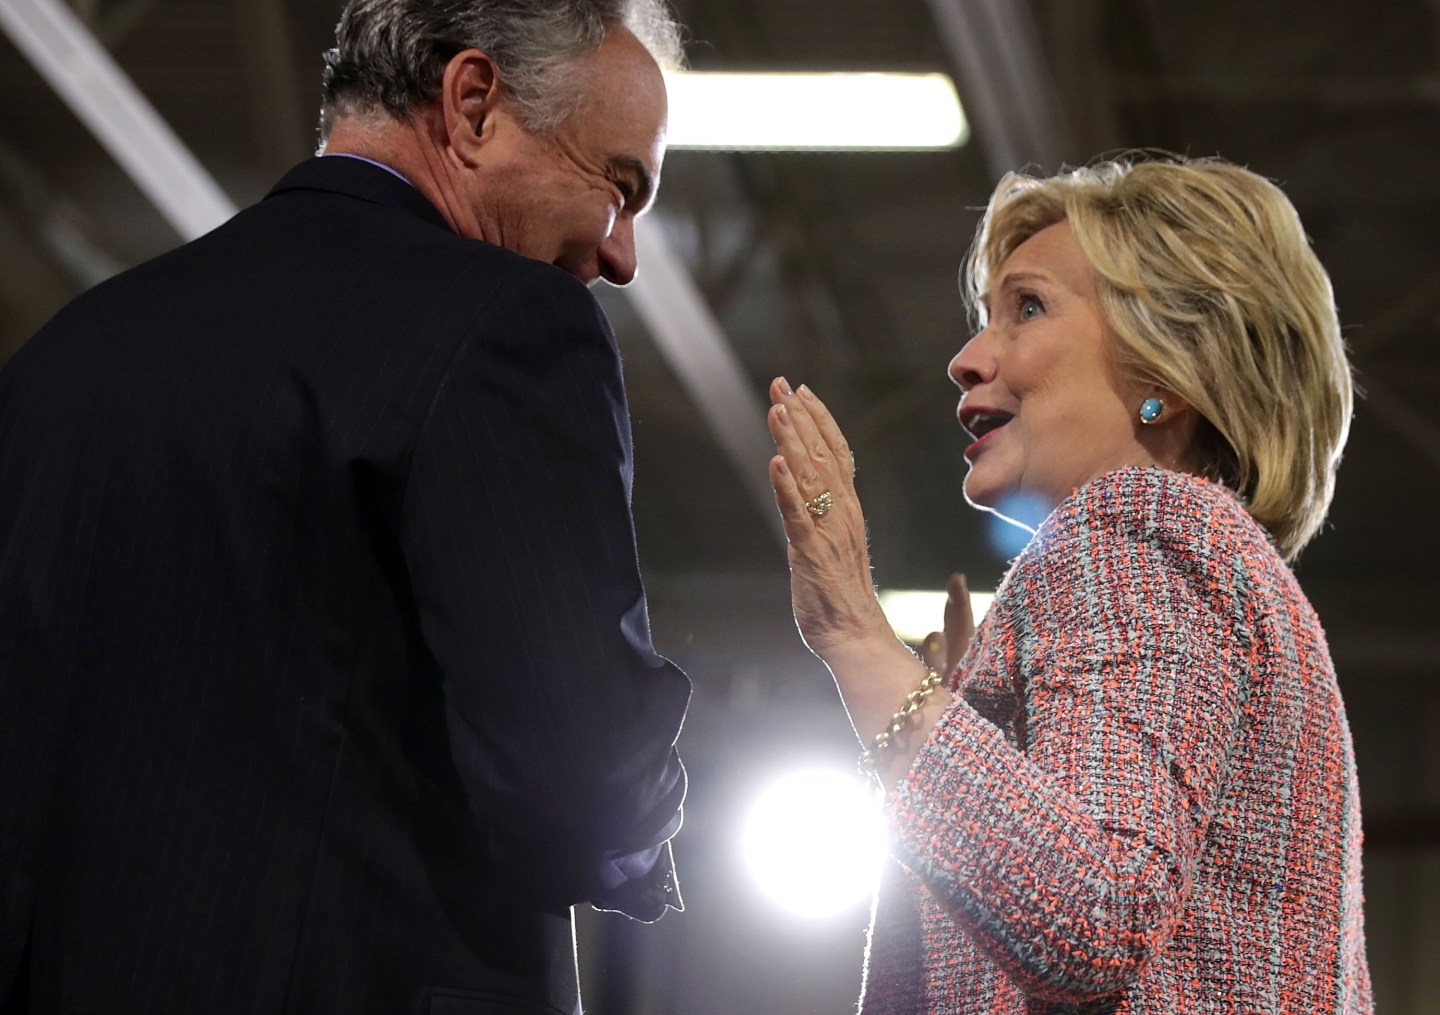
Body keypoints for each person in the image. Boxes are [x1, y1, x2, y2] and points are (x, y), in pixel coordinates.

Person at [0, 1, 690, 1012]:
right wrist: (648, 816)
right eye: (619, 187)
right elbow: (577, 777)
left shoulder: (63, 358)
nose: (622, 255)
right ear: (473, 105)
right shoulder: (505, 323)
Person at [765, 155, 1371, 1012]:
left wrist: (860, 640)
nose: (966, 359)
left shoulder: (1143, 526)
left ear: (1167, 373)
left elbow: (1095, 909)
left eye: (1028, 307)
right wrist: (970, 725)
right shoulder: (1215, 563)